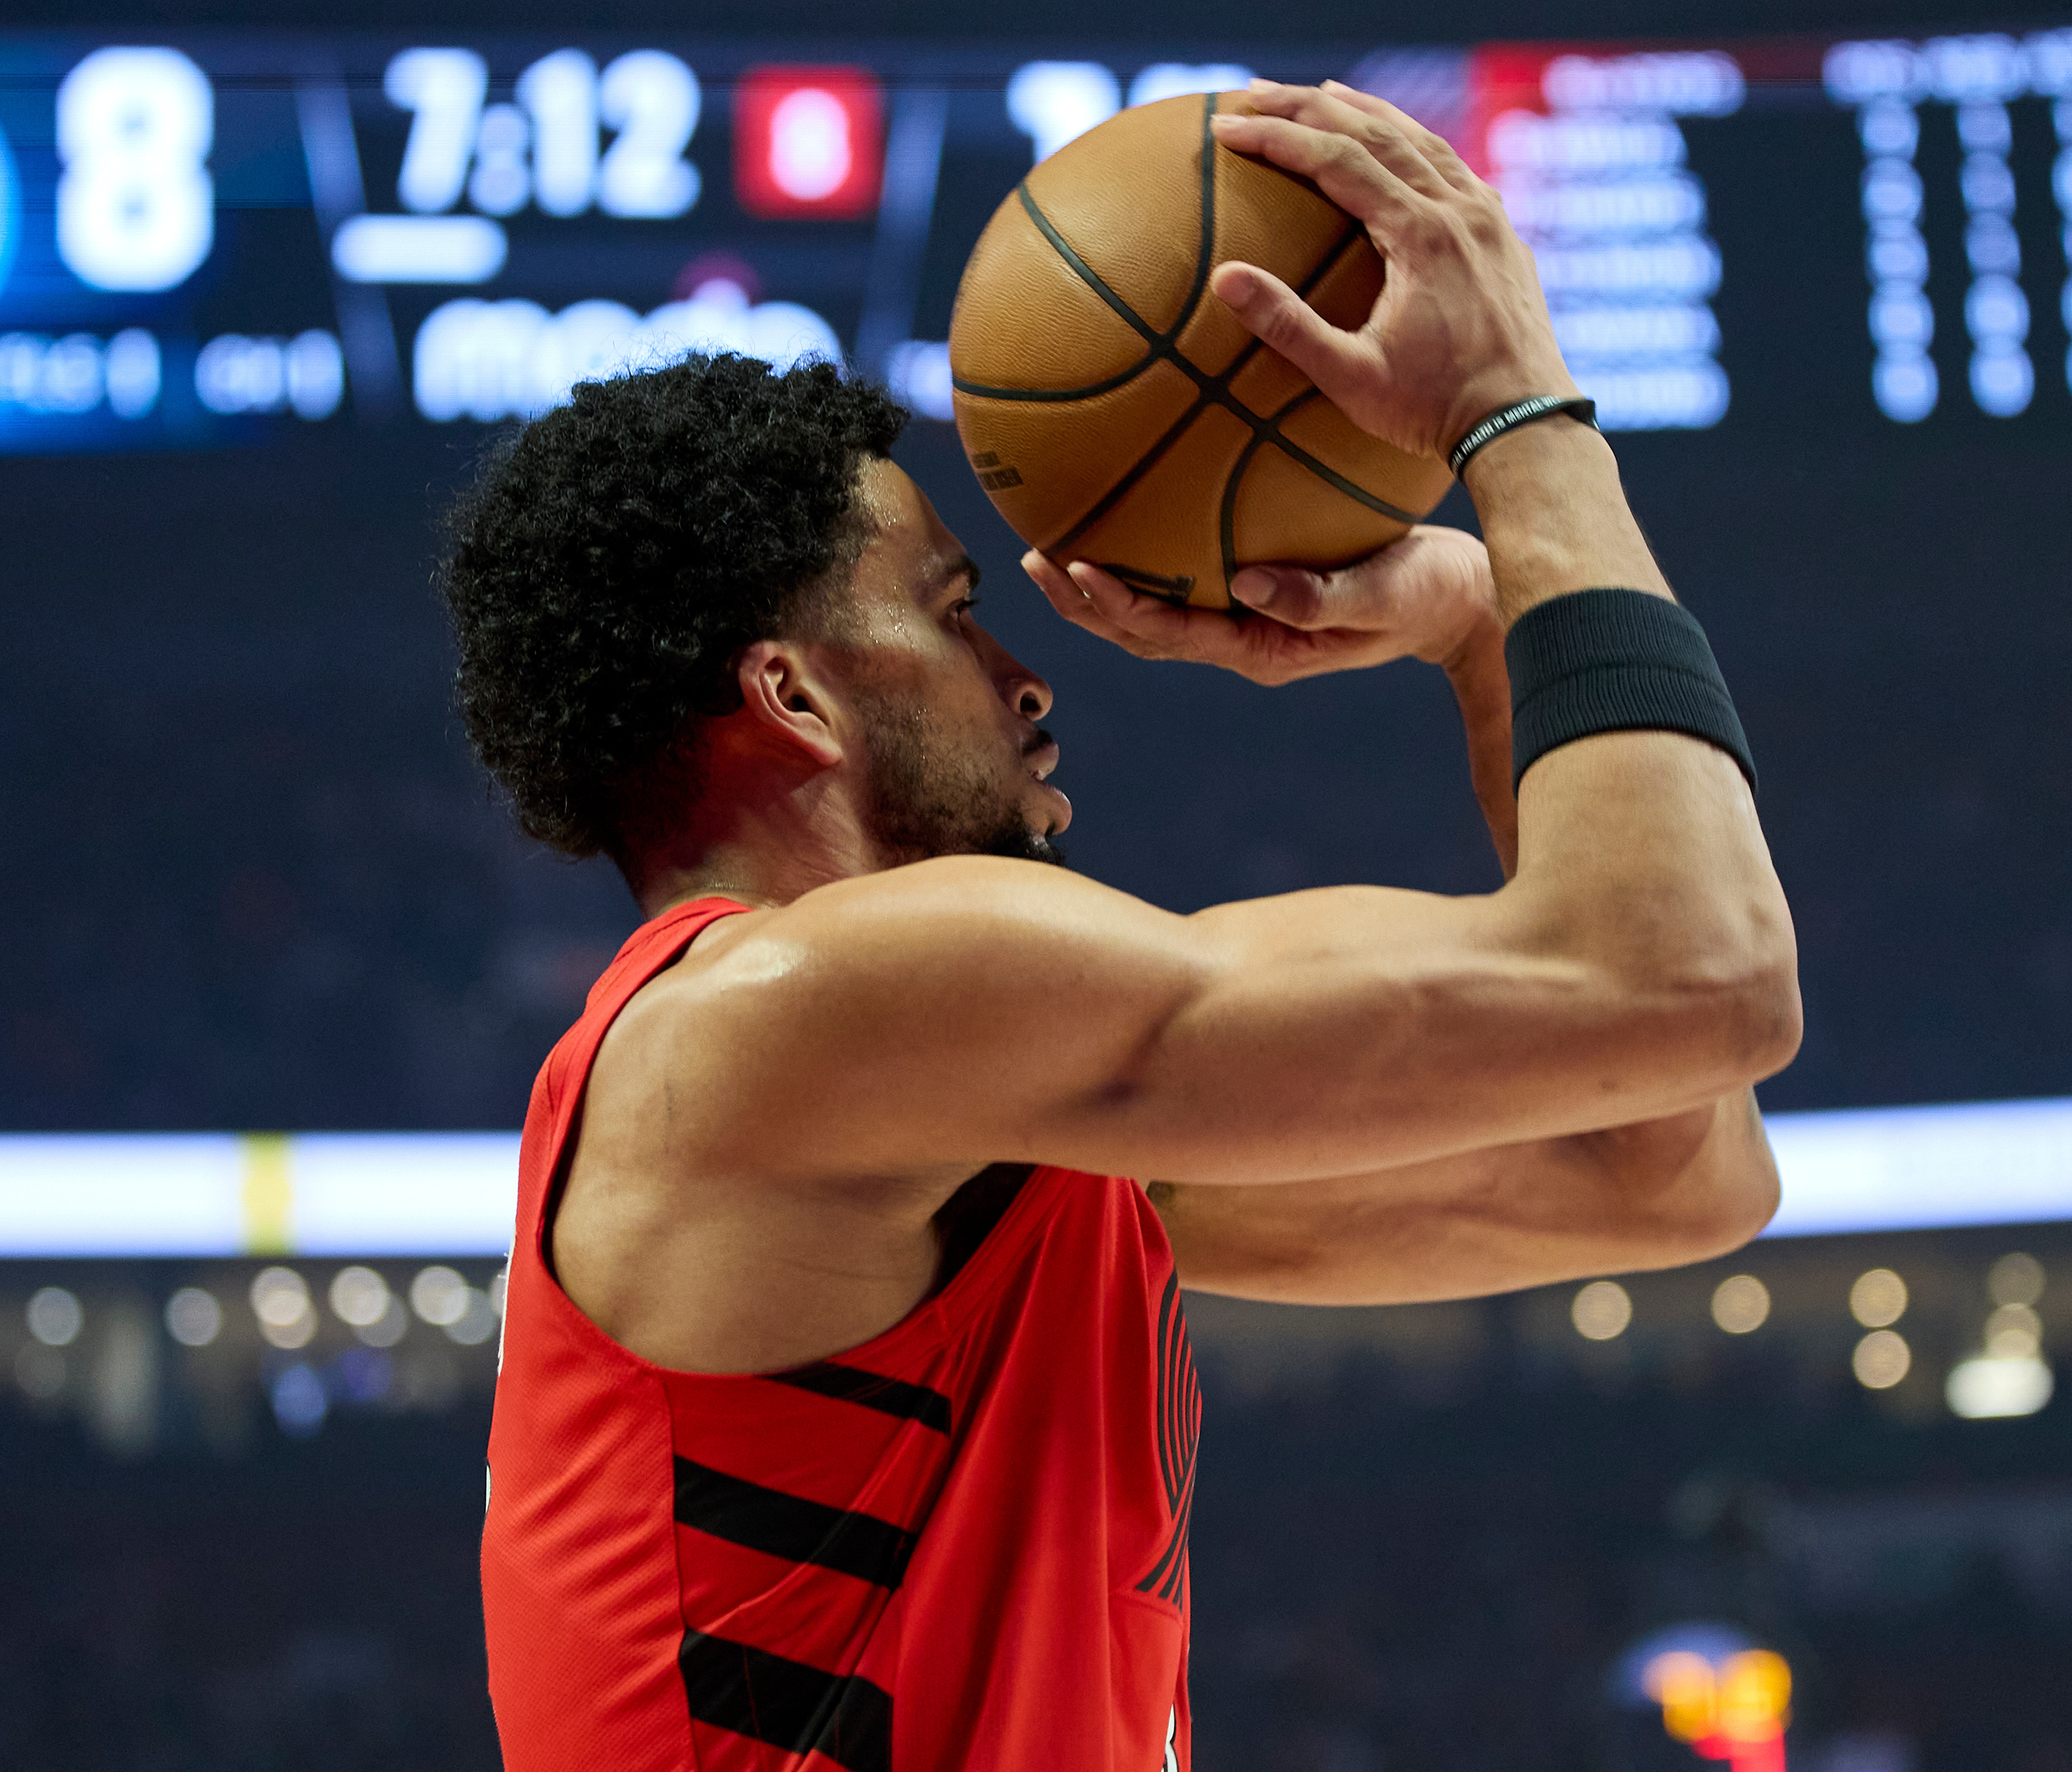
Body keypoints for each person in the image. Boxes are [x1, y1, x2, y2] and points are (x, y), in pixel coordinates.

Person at [448, 81, 1798, 1772]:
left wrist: (1472, 622)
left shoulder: (960, 1140)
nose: (1030, 678)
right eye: (952, 616)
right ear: (789, 694)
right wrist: (1523, 419)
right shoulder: (791, 1010)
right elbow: (1696, 978)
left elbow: (1674, 1169)